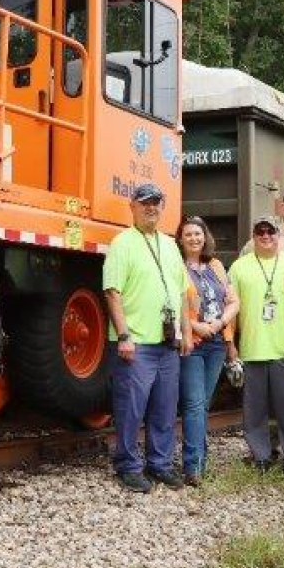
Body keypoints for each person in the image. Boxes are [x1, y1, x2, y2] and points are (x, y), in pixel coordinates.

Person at [103, 182, 190, 493]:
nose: (151, 208)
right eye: (145, 203)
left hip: (167, 343)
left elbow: (180, 292)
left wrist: (183, 332)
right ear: (133, 207)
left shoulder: (169, 244)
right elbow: (113, 293)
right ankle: (127, 465)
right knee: (131, 409)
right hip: (136, 343)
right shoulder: (122, 243)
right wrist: (124, 335)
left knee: (165, 408)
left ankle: (160, 464)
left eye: (156, 202)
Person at [229, 216, 284, 472]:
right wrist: (232, 346)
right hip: (252, 349)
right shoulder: (239, 268)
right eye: (260, 231)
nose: (265, 236)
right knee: (254, 411)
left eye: (270, 231)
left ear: (278, 235)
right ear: (253, 236)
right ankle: (261, 456)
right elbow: (231, 309)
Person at [177, 216, 240, 486]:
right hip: (193, 342)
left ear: (205, 237)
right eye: (188, 234)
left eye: (198, 234)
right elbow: (171, 304)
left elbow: (234, 301)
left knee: (202, 404)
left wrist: (221, 324)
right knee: (193, 404)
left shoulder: (215, 266)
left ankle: (200, 459)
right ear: (180, 240)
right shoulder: (176, 267)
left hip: (216, 342)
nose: (194, 238)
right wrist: (195, 326)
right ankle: (193, 466)